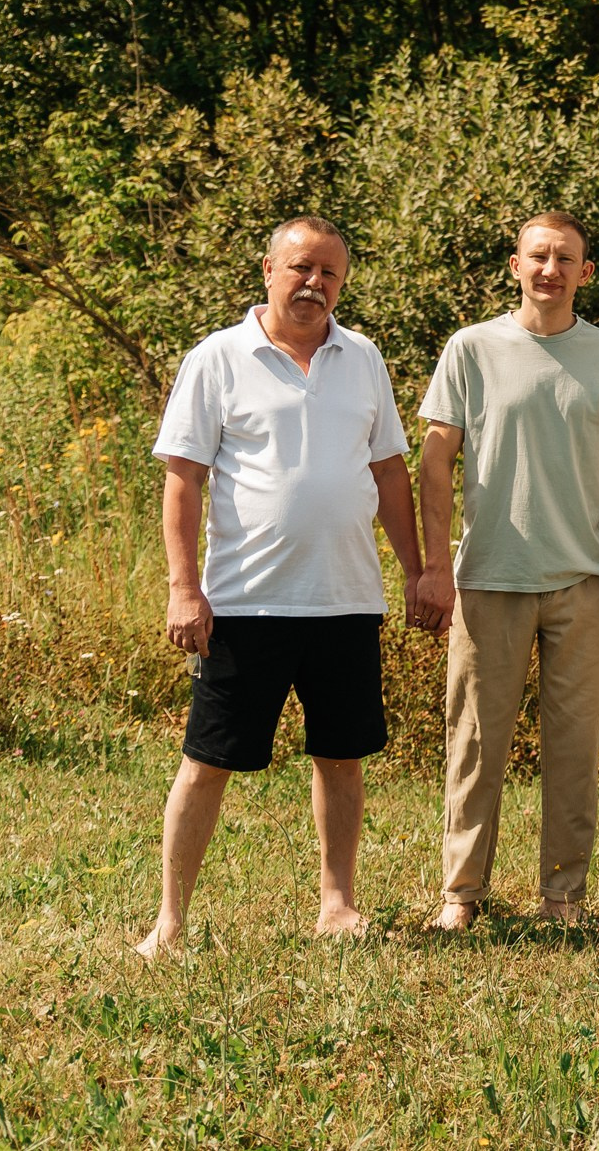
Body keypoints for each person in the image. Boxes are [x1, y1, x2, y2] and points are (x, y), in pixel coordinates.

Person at [135, 216, 424, 958]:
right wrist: (183, 587)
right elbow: (183, 478)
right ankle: (169, 921)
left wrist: (417, 570)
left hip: (346, 599)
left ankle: (338, 905)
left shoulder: (363, 358)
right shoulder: (218, 357)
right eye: (301, 267)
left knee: (341, 756)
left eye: (329, 273)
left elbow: (390, 472)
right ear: (268, 270)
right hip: (245, 603)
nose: (314, 283)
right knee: (206, 761)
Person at [411, 211, 599, 930]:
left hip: (584, 580)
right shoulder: (472, 348)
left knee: (574, 746)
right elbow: (435, 458)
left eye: (565, 258)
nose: (551, 269)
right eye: (538, 256)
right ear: (515, 265)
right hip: (490, 575)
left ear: (585, 272)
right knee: (475, 742)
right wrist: (435, 564)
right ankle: (461, 893)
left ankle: (562, 897)